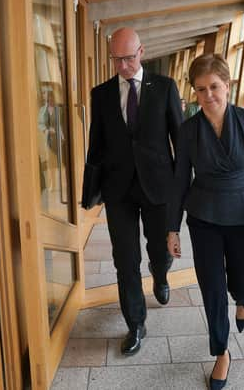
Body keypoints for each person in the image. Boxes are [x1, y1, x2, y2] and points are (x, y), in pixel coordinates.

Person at [167, 54, 244, 389]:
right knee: (211, 287)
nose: (208, 95)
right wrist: (172, 227)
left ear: (228, 85)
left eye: (214, 87)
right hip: (204, 215)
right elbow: (180, 180)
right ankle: (221, 351)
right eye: (201, 89)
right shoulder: (188, 130)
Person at [84, 27, 183, 355]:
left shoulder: (165, 87)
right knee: (125, 259)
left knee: (159, 249)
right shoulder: (100, 94)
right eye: (116, 59)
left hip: (158, 186)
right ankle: (135, 324)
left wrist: (184, 188)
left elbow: (180, 142)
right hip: (118, 189)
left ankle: (161, 272)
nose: (123, 65)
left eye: (128, 58)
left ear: (142, 52)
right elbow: (95, 145)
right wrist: (91, 190)